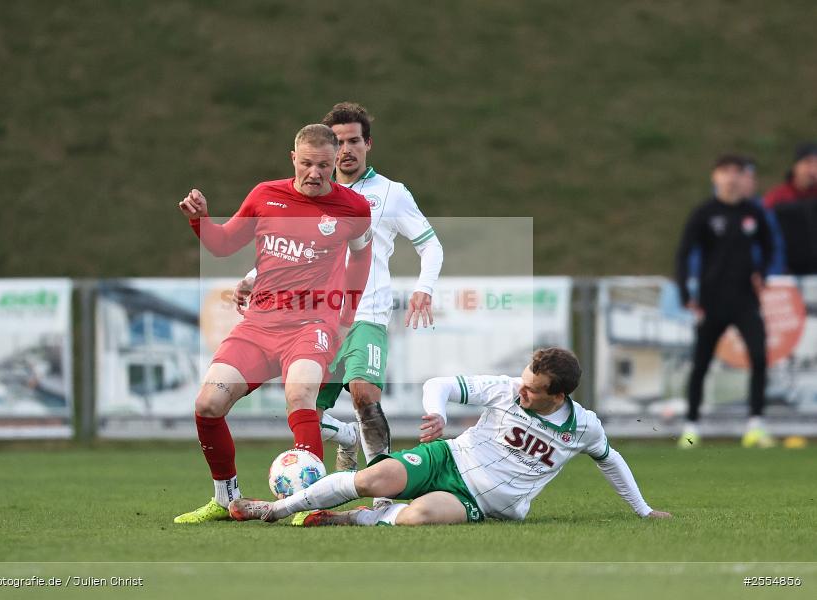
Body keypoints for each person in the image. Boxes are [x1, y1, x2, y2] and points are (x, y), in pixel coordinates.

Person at [233, 103, 444, 509]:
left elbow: (429, 244)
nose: (346, 150)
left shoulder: (390, 194)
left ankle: (383, 487)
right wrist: (252, 277)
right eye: (339, 142)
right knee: (306, 405)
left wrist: (424, 288)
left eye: (353, 141)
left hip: (366, 311)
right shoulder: (310, 195)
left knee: (364, 392)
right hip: (314, 314)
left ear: (368, 144)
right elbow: (289, 251)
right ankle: (343, 441)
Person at [173, 124, 373, 524]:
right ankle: (224, 499)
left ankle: (310, 505)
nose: (315, 173)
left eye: (324, 165)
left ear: (336, 164)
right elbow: (224, 244)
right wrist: (201, 221)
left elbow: (360, 260)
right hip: (259, 325)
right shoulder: (266, 195)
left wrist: (344, 318)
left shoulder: (353, 209)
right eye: (307, 164)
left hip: (311, 324)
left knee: (300, 394)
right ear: (293, 159)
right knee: (207, 404)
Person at [228, 348, 671, 526]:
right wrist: (436, 414)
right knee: (372, 479)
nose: (521, 390)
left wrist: (645, 510)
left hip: (481, 503)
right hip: (447, 458)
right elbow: (440, 383)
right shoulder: (505, 390)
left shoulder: (583, 427)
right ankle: (274, 509)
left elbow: (611, 460)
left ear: (558, 396)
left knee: (418, 518)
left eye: (532, 389)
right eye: (523, 380)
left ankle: (353, 519)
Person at [675, 155, 774, 449]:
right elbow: (683, 253)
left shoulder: (752, 213)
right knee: (701, 363)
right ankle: (691, 427)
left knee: (758, 355)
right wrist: (685, 293)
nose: (731, 177)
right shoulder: (705, 213)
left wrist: (762, 272)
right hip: (711, 301)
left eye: (737, 172)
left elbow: (768, 246)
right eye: (725, 172)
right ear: (714, 177)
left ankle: (756, 425)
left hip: (744, 300)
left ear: (744, 177)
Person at [764, 143, 817, 275]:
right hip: (788, 272)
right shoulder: (778, 196)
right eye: (808, 163)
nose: (813, 169)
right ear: (796, 166)